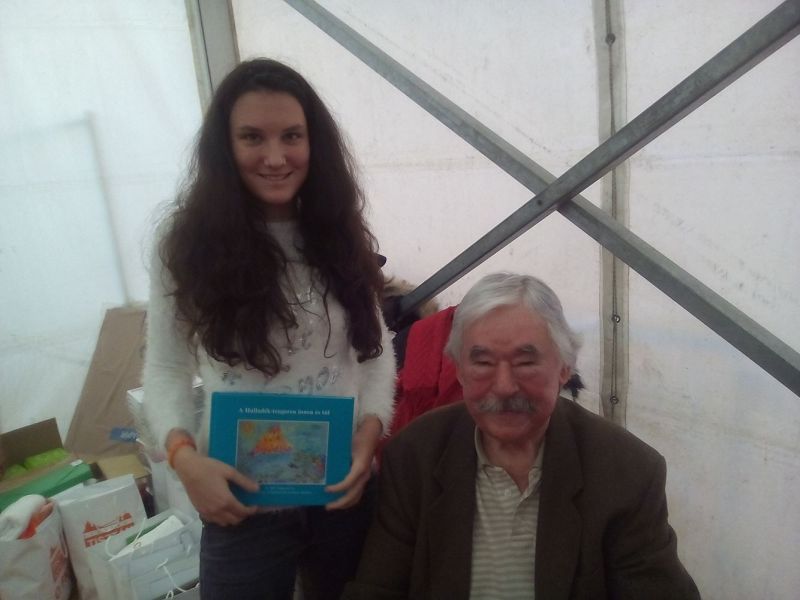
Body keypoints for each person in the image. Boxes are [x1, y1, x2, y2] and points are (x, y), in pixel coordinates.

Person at [142, 58, 396, 600]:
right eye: (253, 137)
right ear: (224, 145)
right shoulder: (184, 242)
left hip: (341, 495)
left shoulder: (339, 232)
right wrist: (184, 461)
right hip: (240, 503)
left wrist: (370, 435)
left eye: (292, 136)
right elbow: (164, 365)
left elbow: (374, 353)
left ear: (314, 143)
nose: (276, 157)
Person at [343, 272, 701, 599]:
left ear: (564, 368)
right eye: (483, 362)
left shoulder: (626, 470)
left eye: (526, 362)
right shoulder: (414, 455)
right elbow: (377, 589)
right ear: (460, 369)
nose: (503, 387)